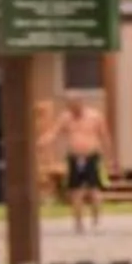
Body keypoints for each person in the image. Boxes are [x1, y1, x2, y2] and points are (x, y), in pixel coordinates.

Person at [50, 94, 111, 234]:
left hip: (91, 155)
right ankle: (78, 222)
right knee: (75, 190)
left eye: (75, 105)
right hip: (74, 156)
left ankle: (96, 217)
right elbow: (55, 132)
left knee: (94, 189)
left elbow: (104, 135)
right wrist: (44, 141)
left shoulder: (95, 116)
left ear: (81, 103)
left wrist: (110, 157)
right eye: (70, 106)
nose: (73, 109)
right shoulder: (65, 118)